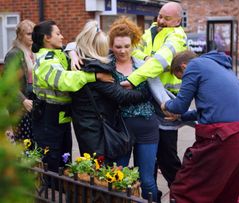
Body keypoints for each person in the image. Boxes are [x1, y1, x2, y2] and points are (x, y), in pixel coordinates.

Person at [161, 50, 239, 203]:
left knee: (183, 191)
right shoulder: (221, 67)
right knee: (224, 194)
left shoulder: (194, 66)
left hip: (220, 140)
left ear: (183, 67)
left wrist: (166, 104)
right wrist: (181, 117)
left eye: (181, 79)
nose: (184, 82)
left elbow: (180, 105)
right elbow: (208, 109)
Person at [120, 2, 188, 191]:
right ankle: (153, 195)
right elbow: (135, 51)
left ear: (178, 21)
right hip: (149, 101)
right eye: (160, 16)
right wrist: (148, 59)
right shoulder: (151, 31)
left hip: (166, 103)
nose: (160, 20)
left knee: (167, 157)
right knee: (149, 157)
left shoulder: (177, 37)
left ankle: (180, 193)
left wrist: (135, 77)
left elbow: (160, 61)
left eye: (166, 18)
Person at [31, 20, 111, 173]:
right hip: (48, 116)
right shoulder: (46, 61)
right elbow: (64, 81)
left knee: (64, 157)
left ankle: (60, 191)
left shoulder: (58, 53)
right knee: (52, 160)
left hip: (60, 115)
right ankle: (52, 192)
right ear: (47, 38)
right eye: (58, 33)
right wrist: (94, 76)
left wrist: (73, 53)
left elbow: (74, 44)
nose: (62, 37)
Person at [71, 20, 149, 167]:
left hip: (88, 124)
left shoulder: (82, 60)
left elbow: (70, 46)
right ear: (96, 47)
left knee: (95, 168)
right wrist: (145, 93)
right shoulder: (94, 68)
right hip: (95, 129)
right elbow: (121, 95)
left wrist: (72, 52)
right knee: (100, 169)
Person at [107, 16, 160, 201]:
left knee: (147, 180)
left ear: (133, 44)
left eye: (127, 46)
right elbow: (75, 47)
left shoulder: (143, 64)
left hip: (147, 127)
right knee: (119, 178)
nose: (123, 51)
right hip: (121, 130)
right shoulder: (105, 66)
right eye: (118, 46)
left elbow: (156, 90)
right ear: (111, 46)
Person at [4, 20, 35, 142]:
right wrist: (23, 100)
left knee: (33, 142)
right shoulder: (14, 54)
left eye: (33, 33)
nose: (32, 36)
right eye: (28, 34)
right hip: (20, 104)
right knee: (24, 142)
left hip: (32, 100)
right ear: (20, 35)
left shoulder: (34, 52)